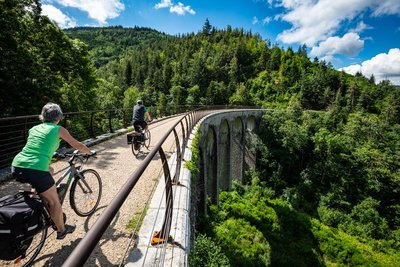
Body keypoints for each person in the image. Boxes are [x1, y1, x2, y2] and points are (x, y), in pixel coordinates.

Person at [11, 103, 94, 240]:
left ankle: (36, 202)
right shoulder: (58, 129)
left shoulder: (34, 128)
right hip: (35, 169)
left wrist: (51, 156)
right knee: (54, 201)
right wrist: (89, 152)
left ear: (43, 116)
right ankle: (61, 230)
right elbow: (76, 145)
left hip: (17, 166)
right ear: (59, 117)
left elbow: (37, 148)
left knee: (49, 171)